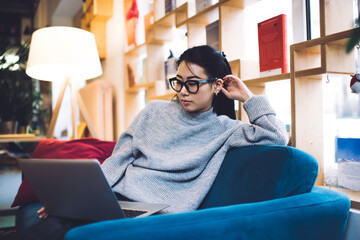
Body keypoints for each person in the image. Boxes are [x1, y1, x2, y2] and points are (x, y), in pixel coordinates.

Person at [13, 45, 288, 239]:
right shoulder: (153, 111)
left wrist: (247, 97)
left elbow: (277, 136)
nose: (183, 91)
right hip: (115, 200)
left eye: (193, 84)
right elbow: (119, 158)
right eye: (178, 82)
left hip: (159, 215)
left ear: (217, 86)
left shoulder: (227, 131)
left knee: (65, 231)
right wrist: (71, 199)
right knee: (50, 226)